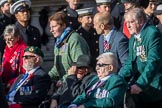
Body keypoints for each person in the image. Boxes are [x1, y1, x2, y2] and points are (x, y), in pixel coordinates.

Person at [119, 8, 162, 108]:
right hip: (140, 89)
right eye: (127, 23)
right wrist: (117, 79)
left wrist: (141, 84)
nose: (128, 26)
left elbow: (153, 62)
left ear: (141, 20)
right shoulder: (133, 37)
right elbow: (130, 62)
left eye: (131, 22)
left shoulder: (152, 33)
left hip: (154, 88)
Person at [48, 11, 90, 86]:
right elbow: (56, 67)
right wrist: (46, 78)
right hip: (66, 84)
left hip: (77, 84)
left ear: (63, 25)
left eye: (54, 27)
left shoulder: (74, 39)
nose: (51, 30)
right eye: (50, 27)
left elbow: (79, 66)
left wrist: (64, 80)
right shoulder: (59, 42)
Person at [1, 24, 27, 93]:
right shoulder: (7, 49)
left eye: (10, 39)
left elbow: (25, 73)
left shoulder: (23, 50)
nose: (7, 41)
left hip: (17, 86)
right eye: (5, 39)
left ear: (17, 38)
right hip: (5, 85)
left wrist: (11, 82)